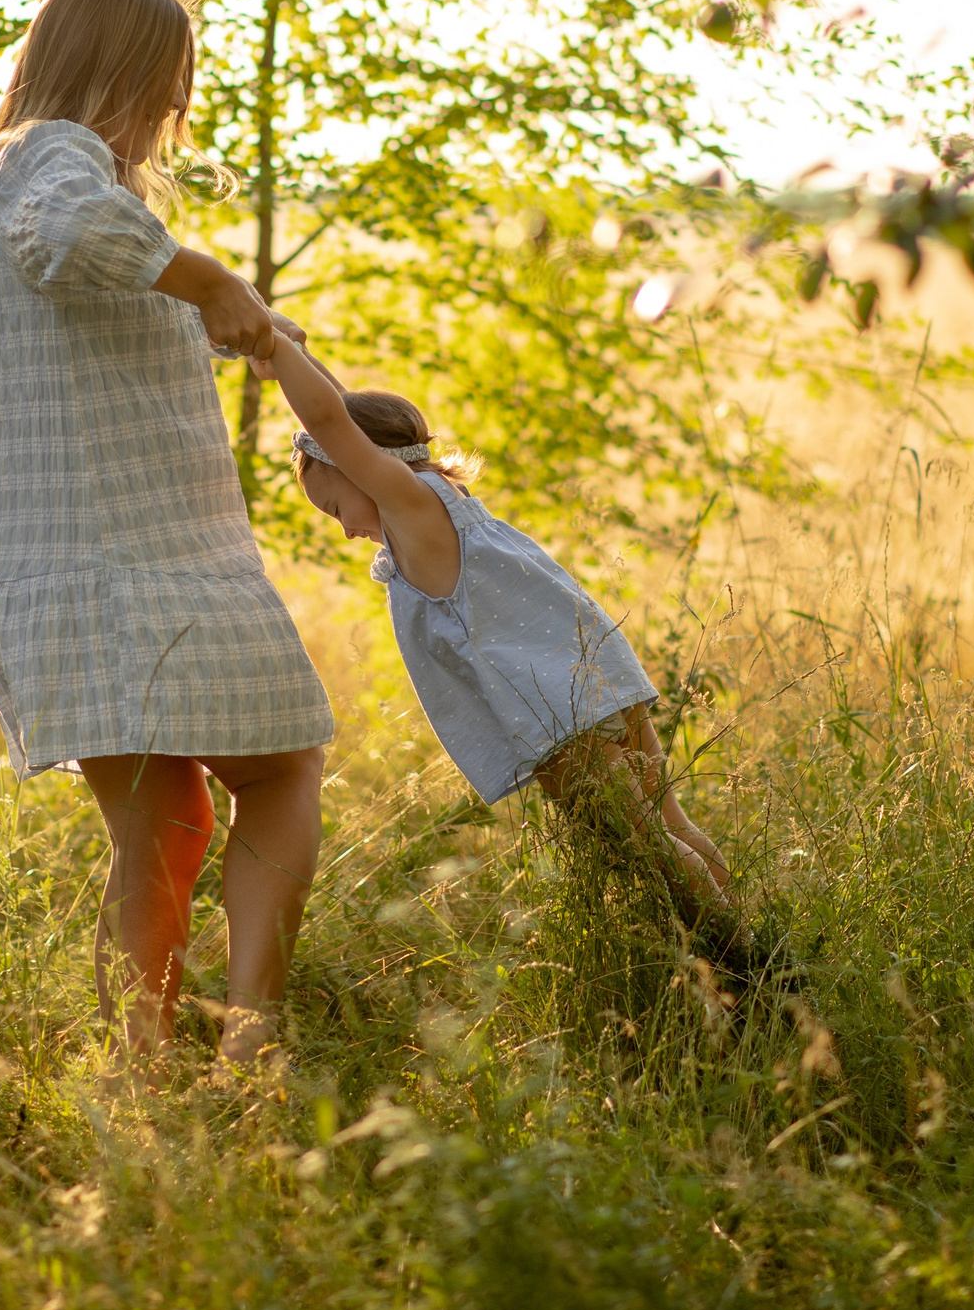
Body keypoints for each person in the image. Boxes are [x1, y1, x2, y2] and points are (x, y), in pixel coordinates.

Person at [0, 0, 333, 1063]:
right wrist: (206, 282)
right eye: (165, 83)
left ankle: (158, 1056)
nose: (171, 111)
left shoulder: (53, 178)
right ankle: (235, 1035)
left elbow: (96, 276)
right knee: (271, 770)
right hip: (118, 570)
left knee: (176, 817)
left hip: (126, 566)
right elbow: (73, 238)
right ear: (120, 72)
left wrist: (236, 320)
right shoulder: (51, 159)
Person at [248, 335, 736, 929]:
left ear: (358, 466)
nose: (345, 531)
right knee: (670, 824)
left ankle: (746, 964)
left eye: (333, 510)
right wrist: (287, 355)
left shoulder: (410, 510)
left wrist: (270, 337)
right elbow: (343, 410)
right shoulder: (439, 494)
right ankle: (756, 934)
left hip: (557, 711)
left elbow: (330, 417)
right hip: (600, 673)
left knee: (646, 848)